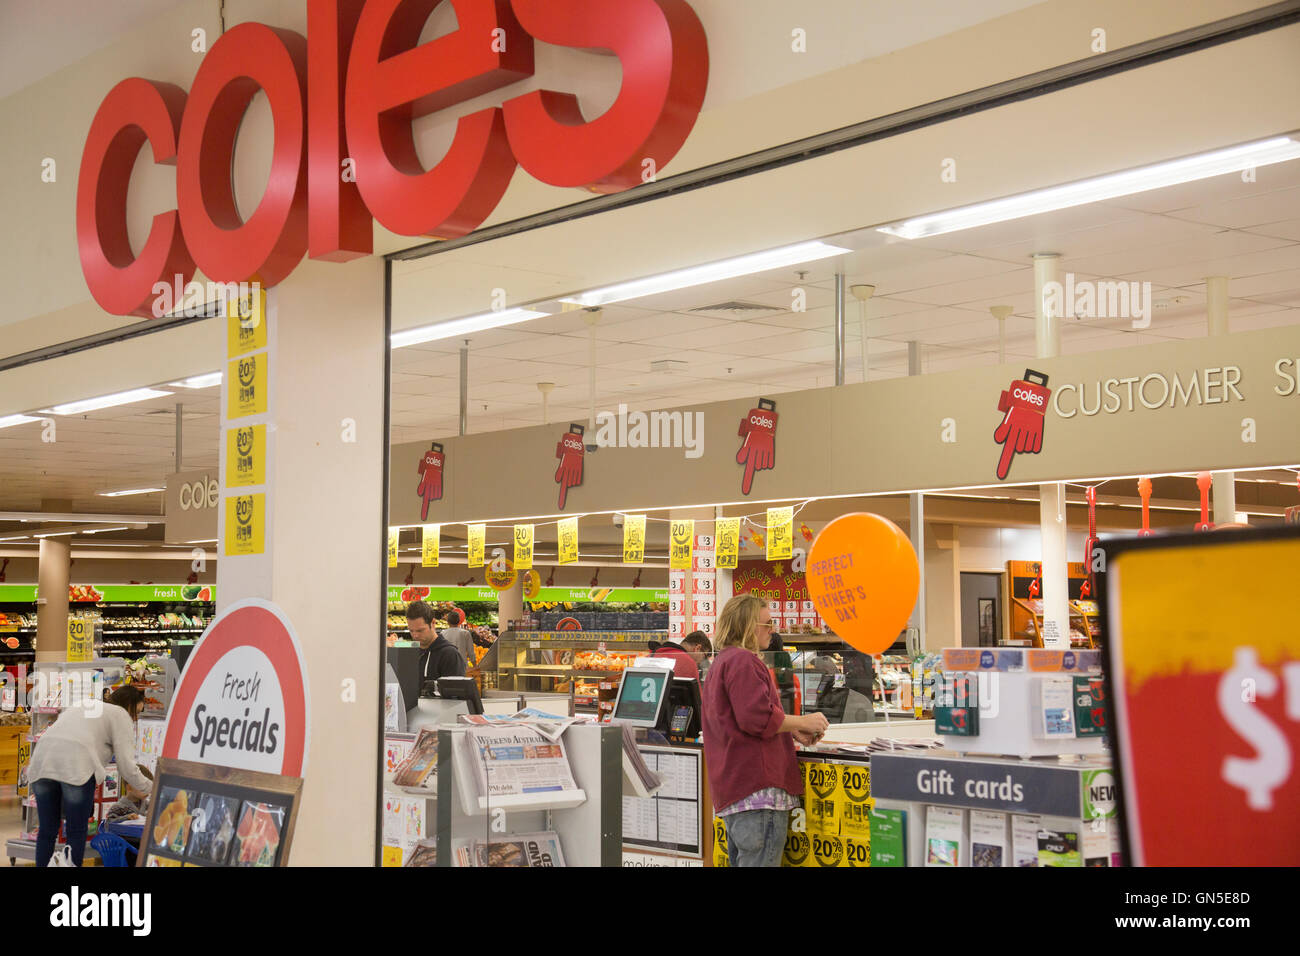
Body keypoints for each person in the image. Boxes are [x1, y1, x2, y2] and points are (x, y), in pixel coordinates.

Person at [702, 594, 828, 867]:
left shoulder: (722, 662)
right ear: (747, 626)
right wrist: (802, 722)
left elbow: (742, 719)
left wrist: (788, 731)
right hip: (758, 789)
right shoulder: (744, 661)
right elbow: (756, 718)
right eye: (767, 624)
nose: (772, 630)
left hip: (734, 788)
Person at [26, 684, 153, 867]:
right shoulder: (120, 714)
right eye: (137, 712)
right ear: (129, 706)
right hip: (76, 766)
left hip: (42, 761)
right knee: (76, 831)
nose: (135, 719)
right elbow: (126, 767)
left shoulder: (86, 704)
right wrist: (153, 787)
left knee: (47, 830)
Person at [407, 601, 465, 687]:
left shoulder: (450, 655)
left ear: (433, 623)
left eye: (420, 630)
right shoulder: (411, 651)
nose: (415, 635)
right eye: (411, 630)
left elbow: (455, 695)